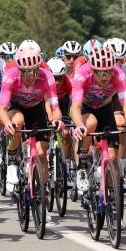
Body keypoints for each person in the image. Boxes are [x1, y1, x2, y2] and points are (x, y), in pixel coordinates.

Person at [71, 46, 126, 229]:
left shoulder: (118, 74)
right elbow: (75, 107)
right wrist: (79, 126)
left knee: (112, 157)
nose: (104, 77)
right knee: (90, 123)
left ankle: (115, 202)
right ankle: (83, 162)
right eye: (100, 73)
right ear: (92, 69)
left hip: (105, 108)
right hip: (87, 109)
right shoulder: (82, 74)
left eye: (107, 72)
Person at [0, 48, 62, 222]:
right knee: (17, 121)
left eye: (35, 70)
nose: (32, 75)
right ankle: (12, 159)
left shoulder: (46, 76)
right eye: (27, 72)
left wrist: (56, 120)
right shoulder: (10, 76)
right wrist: (7, 124)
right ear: (19, 70)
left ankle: (41, 197)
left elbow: (54, 107)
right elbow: (2, 108)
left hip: (36, 109)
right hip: (15, 106)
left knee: (42, 153)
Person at [48, 57, 73, 186]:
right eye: (54, 78)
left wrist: (74, 117)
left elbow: (74, 101)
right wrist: (51, 118)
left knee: (66, 133)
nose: (57, 82)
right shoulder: (43, 81)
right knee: (45, 133)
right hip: (45, 105)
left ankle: (66, 170)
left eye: (60, 78)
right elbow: (44, 103)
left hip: (62, 105)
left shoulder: (68, 81)